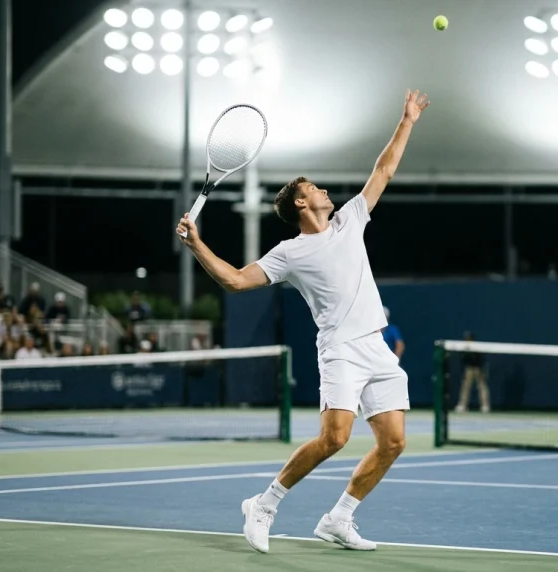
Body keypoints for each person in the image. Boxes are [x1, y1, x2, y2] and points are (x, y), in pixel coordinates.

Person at [175, 89, 430, 554]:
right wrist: (197, 244)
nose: (325, 190)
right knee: (335, 437)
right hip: (340, 349)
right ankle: (264, 504)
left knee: (393, 442)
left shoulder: (351, 219)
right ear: (299, 203)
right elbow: (234, 280)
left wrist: (407, 120)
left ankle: (339, 518)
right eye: (314, 187)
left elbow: (384, 170)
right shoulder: (289, 252)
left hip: (375, 347)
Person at [455, 331, 489, 413]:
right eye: (466, 338)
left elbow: (482, 359)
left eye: (468, 338)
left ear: (472, 339)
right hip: (469, 369)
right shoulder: (464, 347)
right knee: (465, 387)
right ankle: (463, 405)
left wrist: (482, 370)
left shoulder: (477, 347)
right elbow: (463, 359)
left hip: (478, 369)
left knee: (482, 387)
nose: (467, 340)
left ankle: (485, 406)